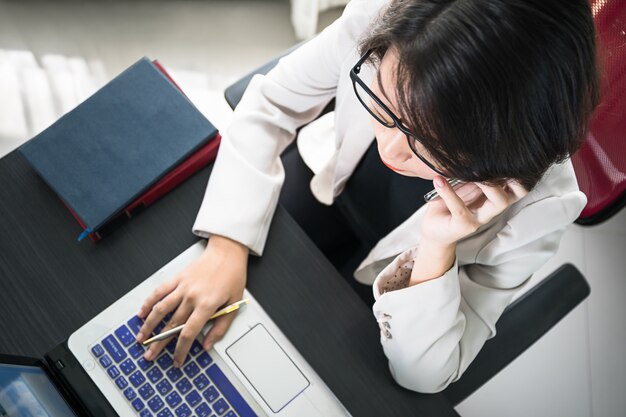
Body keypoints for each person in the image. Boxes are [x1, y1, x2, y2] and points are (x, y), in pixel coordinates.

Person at [135, 0, 599, 393]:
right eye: (387, 106)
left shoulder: (540, 209)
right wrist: (227, 245)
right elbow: (273, 100)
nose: (392, 149)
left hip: (401, 291)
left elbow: (423, 375)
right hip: (328, 186)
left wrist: (437, 246)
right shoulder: (385, 17)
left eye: (432, 145)